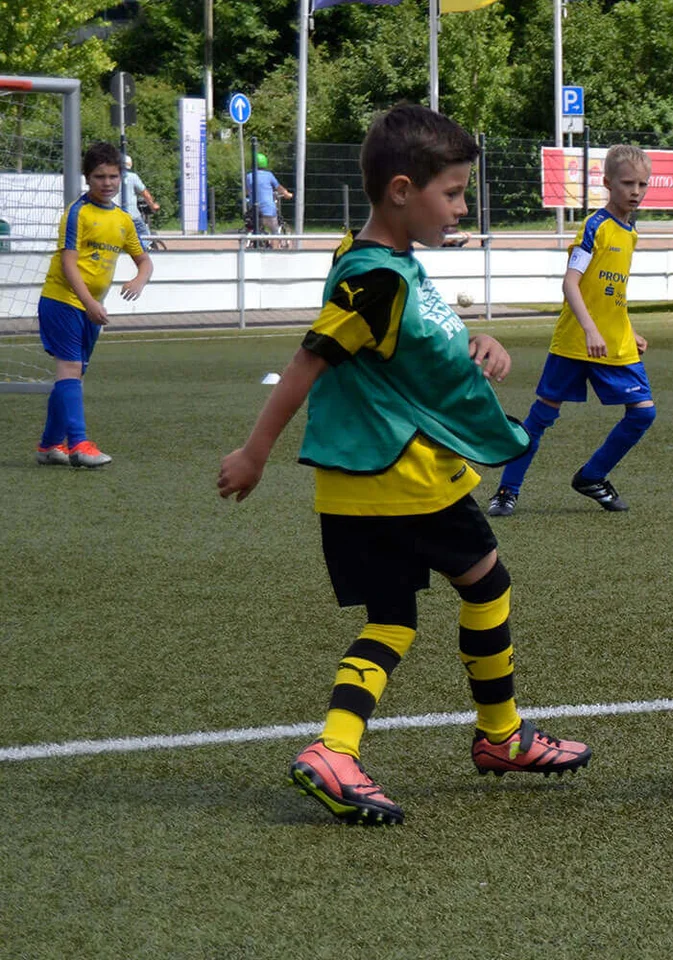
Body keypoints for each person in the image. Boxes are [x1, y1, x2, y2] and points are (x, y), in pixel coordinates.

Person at [217, 105, 590, 826]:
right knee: (488, 583)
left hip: (361, 482)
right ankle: (501, 735)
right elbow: (307, 361)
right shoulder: (375, 278)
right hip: (403, 477)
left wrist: (479, 341)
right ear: (399, 190)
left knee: (392, 618)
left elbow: (405, 348)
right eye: (450, 194)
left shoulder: (385, 267)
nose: (460, 209)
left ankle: (337, 747)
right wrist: (254, 453)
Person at [487, 145, 656, 517]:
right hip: (575, 342)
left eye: (643, 184)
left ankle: (592, 476)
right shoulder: (595, 226)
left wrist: (629, 329)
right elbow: (571, 284)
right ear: (607, 182)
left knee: (643, 413)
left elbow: (610, 293)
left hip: (613, 343)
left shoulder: (631, 233)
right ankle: (506, 491)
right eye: (628, 183)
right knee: (541, 417)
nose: (636, 191)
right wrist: (590, 330)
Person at [34, 142, 153, 468]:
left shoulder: (123, 219)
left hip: (89, 308)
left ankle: (48, 446)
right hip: (62, 301)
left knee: (74, 375)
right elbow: (69, 263)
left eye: (113, 176)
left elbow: (145, 261)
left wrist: (139, 280)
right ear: (88, 178)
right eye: (100, 176)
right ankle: (79, 444)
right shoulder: (77, 213)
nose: (108, 182)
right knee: (70, 370)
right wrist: (89, 302)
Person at [248, 152, 293, 246]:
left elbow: (248, 191)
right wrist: (286, 194)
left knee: (256, 227)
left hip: (254, 211)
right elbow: (278, 187)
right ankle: (277, 246)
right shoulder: (269, 175)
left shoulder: (249, 176)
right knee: (274, 231)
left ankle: (260, 242)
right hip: (268, 210)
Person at [120, 154, 160, 246]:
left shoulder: (112, 176)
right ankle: (147, 250)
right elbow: (145, 194)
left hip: (113, 214)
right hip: (131, 214)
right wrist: (152, 205)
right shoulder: (133, 177)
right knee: (144, 235)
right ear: (130, 165)